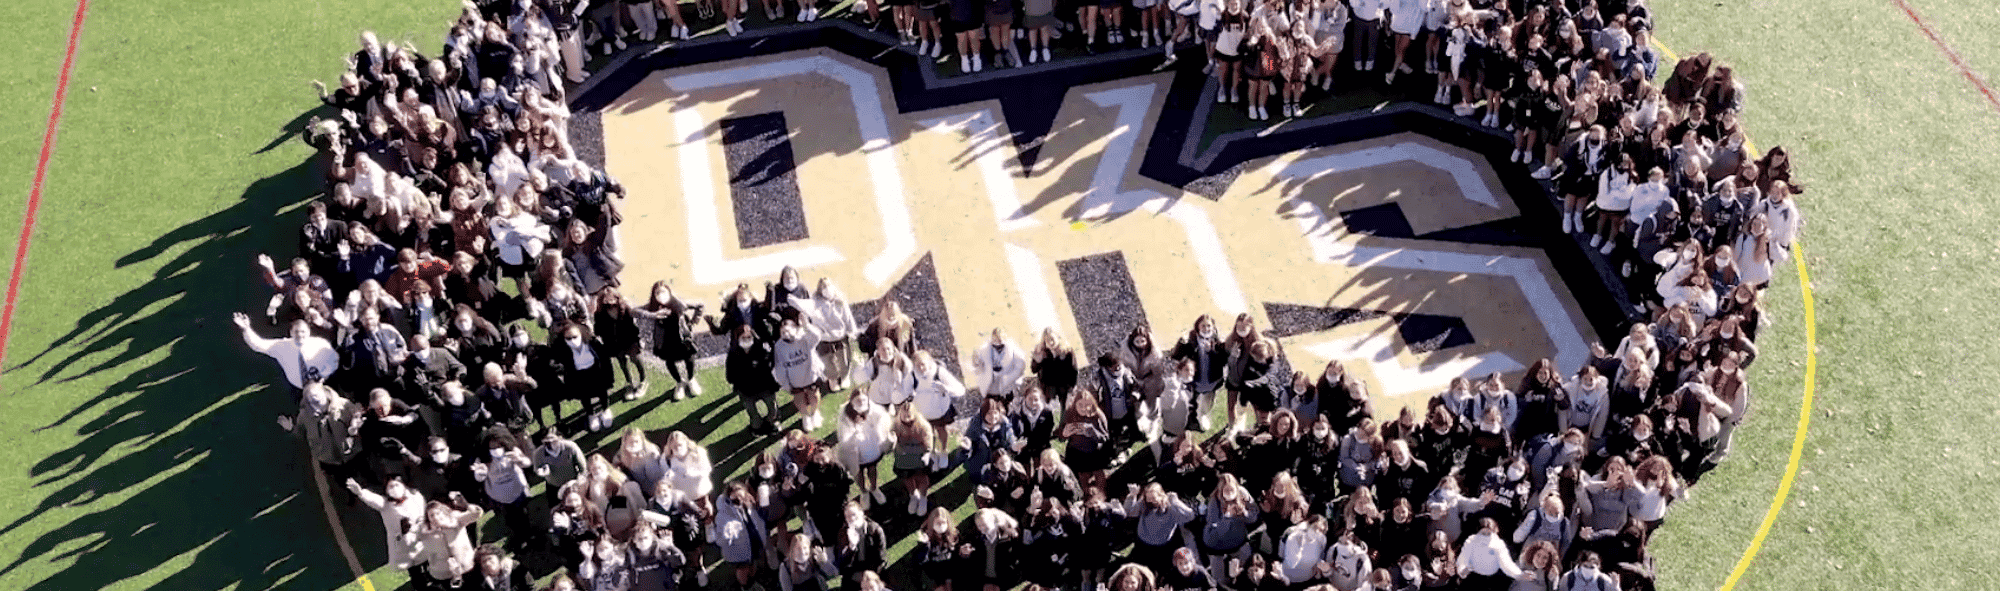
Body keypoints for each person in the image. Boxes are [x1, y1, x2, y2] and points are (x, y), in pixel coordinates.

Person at [238, 313, 341, 398]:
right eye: (296, 331)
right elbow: (258, 345)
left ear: (309, 332)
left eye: (303, 331)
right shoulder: (281, 346)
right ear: (291, 333)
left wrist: (323, 375)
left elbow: (334, 360)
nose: (300, 335)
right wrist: (246, 329)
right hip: (297, 390)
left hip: (323, 385)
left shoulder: (320, 343)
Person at [636, 281, 703, 399]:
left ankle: (691, 379)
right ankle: (679, 382)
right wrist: (653, 315)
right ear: (654, 295)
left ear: (669, 292)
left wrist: (693, 321)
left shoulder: (678, 303)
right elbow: (634, 311)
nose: (660, 294)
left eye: (663, 291)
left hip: (682, 338)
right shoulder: (653, 306)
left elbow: (700, 305)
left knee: (689, 358)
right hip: (665, 341)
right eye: (657, 292)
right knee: (670, 362)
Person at [836, 391, 895, 507]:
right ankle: (864, 492)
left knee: (872, 469)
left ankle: (874, 488)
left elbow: (884, 422)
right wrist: (854, 430)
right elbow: (843, 436)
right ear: (852, 401)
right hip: (855, 453)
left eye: (863, 400)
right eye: (858, 400)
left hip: (871, 449)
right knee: (858, 474)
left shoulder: (874, 410)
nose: (861, 403)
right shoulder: (845, 414)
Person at [774, 316, 834, 431]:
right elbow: (779, 367)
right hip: (795, 382)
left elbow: (817, 336)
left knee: (814, 398)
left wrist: (807, 325)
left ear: (795, 328)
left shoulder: (805, 339)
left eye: (788, 330)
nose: (786, 333)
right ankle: (805, 416)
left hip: (811, 377)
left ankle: (814, 413)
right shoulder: (779, 346)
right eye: (783, 332)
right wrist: (785, 384)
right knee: (800, 400)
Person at [727, 325, 784, 433]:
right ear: (737, 338)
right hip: (746, 390)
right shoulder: (733, 353)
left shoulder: (762, 349)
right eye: (743, 337)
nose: (746, 340)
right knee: (752, 413)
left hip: (765, 387)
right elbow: (730, 375)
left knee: (773, 409)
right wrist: (739, 386)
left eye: (748, 337)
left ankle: (772, 423)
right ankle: (756, 426)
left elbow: (771, 366)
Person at [971, 328, 1028, 402]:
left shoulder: (1012, 350)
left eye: (1000, 340)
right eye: (995, 340)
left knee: (1006, 405)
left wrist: (1011, 378)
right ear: (992, 338)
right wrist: (976, 363)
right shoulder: (984, 350)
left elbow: (1020, 367)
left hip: (1007, 385)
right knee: (991, 407)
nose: (997, 343)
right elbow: (977, 367)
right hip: (990, 386)